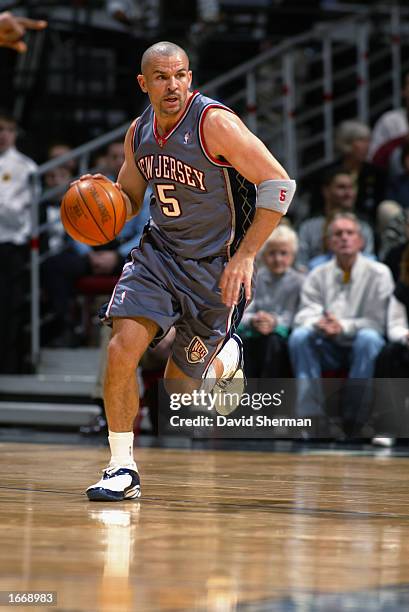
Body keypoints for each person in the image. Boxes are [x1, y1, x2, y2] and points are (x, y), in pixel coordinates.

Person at [80, 41, 296, 501]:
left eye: (179, 75)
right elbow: (131, 197)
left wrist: (246, 256)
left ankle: (226, 350)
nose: (172, 85)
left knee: (178, 391)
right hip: (159, 256)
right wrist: (102, 204)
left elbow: (278, 184)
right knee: (122, 348)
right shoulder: (138, 132)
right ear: (145, 83)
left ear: (190, 78)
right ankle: (121, 467)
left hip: (217, 267)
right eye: (161, 77)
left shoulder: (214, 123)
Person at [289, 213, 393, 436]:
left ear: (361, 241)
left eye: (350, 233)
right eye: (338, 234)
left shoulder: (379, 273)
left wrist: (343, 326)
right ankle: (311, 419)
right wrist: (320, 322)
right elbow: (303, 314)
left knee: (369, 339)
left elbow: (377, 323)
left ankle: (355, 420)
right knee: (300, 337)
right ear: (329, 242)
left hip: (361, 344)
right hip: (327, 343)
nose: (344, 238)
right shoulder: (317, 274)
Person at [238, 225, 303, 378]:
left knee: (272, 342)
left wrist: (274, 322)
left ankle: (270, 394)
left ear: (292, 256)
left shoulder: (299, 281)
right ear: (263, 255)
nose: (278, 259)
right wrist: (254, 320)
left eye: (283, 253)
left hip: (283, 335)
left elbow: (295, 315)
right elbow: (245, 311)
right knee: (244, 342)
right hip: (255, 330)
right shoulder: (256, 277)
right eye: (272, 253)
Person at [0, 110, 38, 372]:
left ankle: (8, 365)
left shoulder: (26, 167)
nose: (4, 135)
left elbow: (19, 217)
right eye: (0, 130)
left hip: (10, 247)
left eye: (9, 130)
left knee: (8, 309)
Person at [297, 169, 374, 270]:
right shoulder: (307, 227)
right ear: (326, 191)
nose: (348, 193)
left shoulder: (364, 227)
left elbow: (370, 263)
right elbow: (300, 266)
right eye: (341, 187)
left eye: (352, 187)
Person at [368, 72, 409, 169]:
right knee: (397, 154)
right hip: (397, 179)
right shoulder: (390, 120)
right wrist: (403, 140)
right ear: (403, 91)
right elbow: (374, 158)